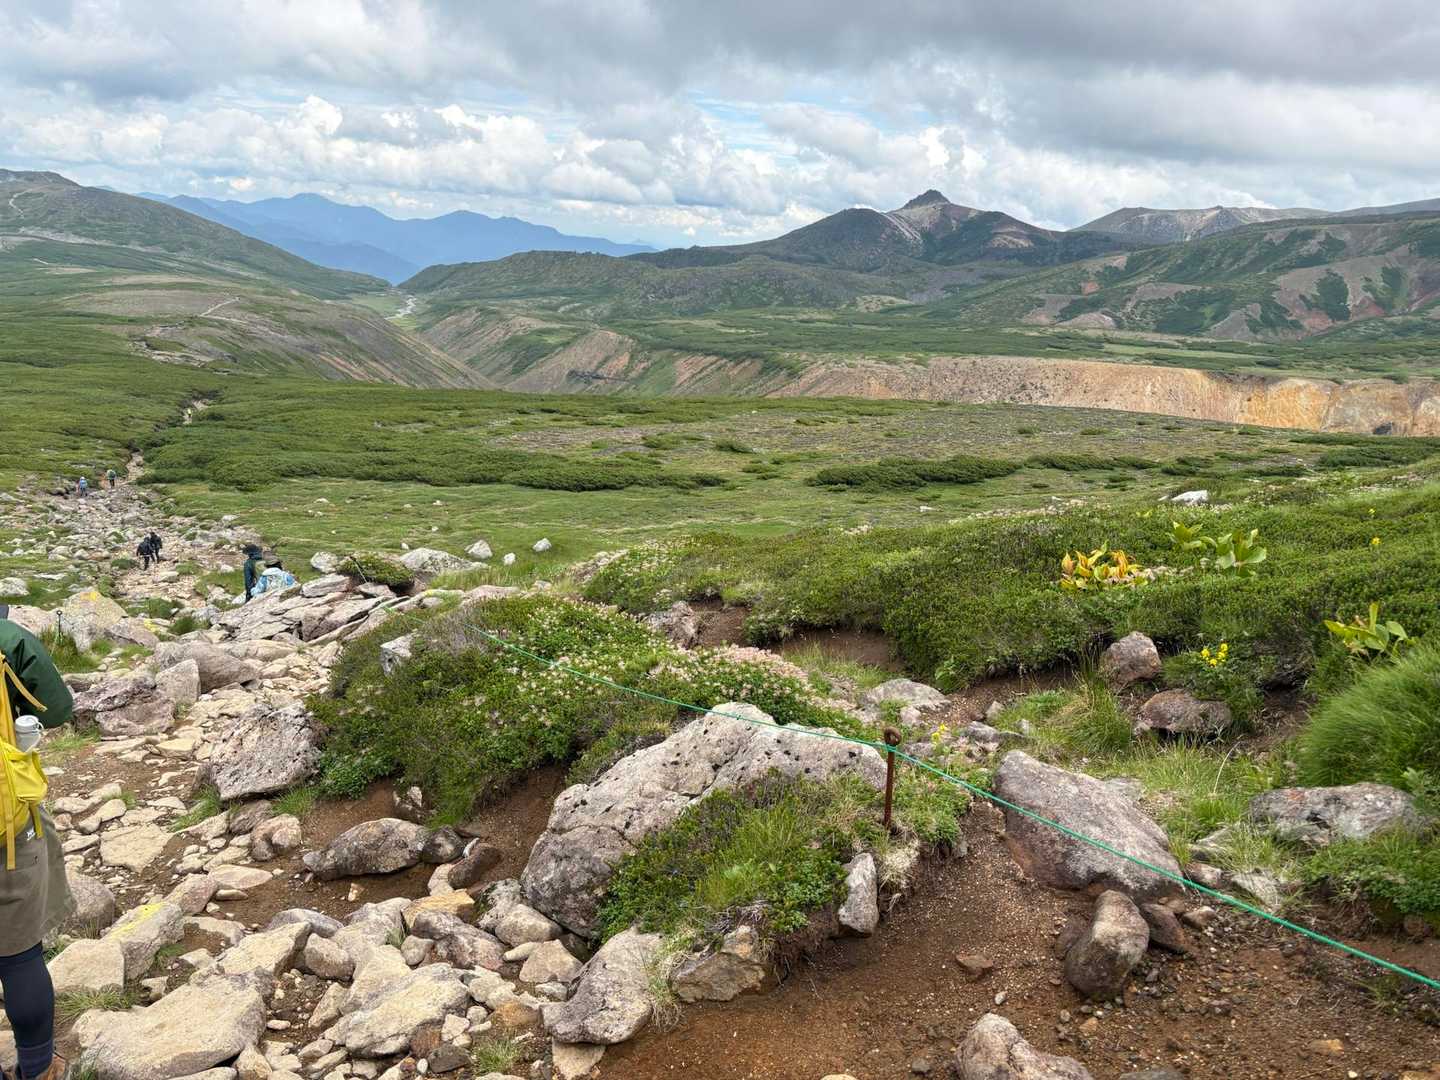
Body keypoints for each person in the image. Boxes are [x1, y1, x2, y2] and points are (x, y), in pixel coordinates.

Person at [0, 603, 76, 1080]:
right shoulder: (7, 638)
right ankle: (38, 1067)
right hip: (5, 826)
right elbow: (59, 709)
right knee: (20, 955)